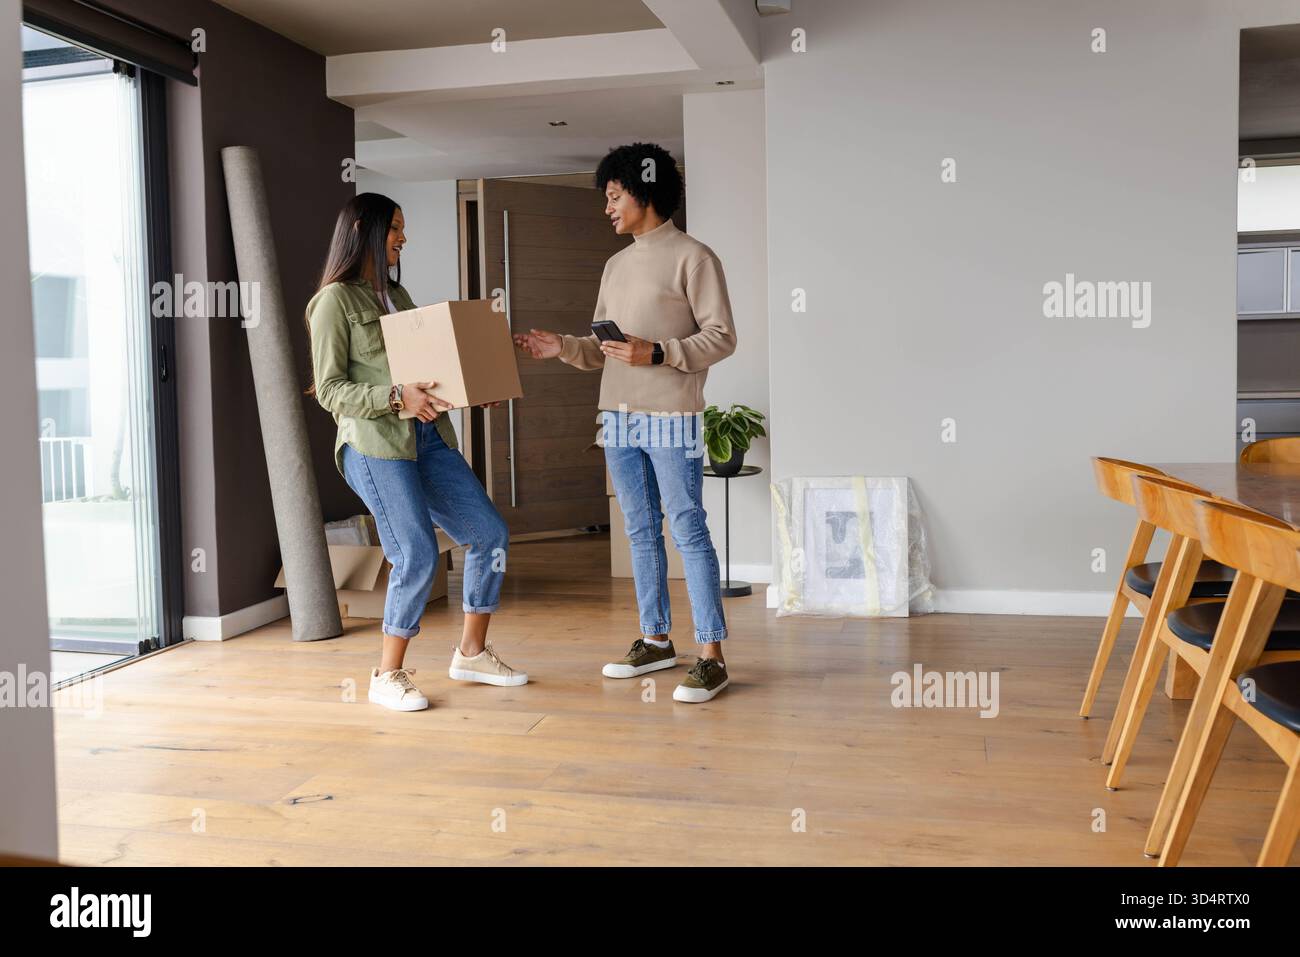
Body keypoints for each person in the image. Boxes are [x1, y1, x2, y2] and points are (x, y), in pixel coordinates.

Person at [514, 143, 737, 703]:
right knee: (639, 531)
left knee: (686, 528)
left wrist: (658, 354)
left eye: (614, 197)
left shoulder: (694, 256)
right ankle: (655, 639)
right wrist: (561, 347)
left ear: (644, 192)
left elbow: (721, 336)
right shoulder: (614, 265)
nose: (607, 208)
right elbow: (604, 348)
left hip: (670, 416)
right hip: (616, 418)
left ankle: (711, 656)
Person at [306, 192, 526, 712]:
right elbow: (329, 389)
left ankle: (471, 651)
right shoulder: (334, 302)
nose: (403, 238)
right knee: (416, 552)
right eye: (395, 229)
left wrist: (471, 389)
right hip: (376, 445)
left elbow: (426, 367)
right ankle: (387, 673)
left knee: (489, 533)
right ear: (364, 228)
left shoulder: (396, 295)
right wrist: (393, 397)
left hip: (428, 438)